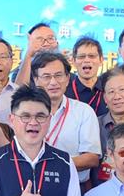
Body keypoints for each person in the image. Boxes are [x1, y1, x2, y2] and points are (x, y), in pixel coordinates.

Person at [32, 51, 101, 186]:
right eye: (46, 76)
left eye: (58, 75)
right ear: (36, 80)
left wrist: (52, 166)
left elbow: (92, 158)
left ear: (68, 78)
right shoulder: (27, 113)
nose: (53, 82)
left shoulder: (83, 111)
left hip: (73, 186)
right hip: (33, 185)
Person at [92, 66, 124, 185]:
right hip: (101, 192)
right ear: (105, 98)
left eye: (122, 89)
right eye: (111, 92)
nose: (117, 96)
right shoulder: (94, 125)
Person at [66, 37, 107, 115]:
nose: (87, 60)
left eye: (92, 56)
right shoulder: (64, 91)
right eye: (81, 57)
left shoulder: (108, 90)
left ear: (101, 60)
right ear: (73, 61)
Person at [11, 22, 59, 88]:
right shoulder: (21, 73)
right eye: (40, 39)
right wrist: (28, 55)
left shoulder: (66, 72)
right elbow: (18, 94)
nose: (46, 44)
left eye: (50, 38)